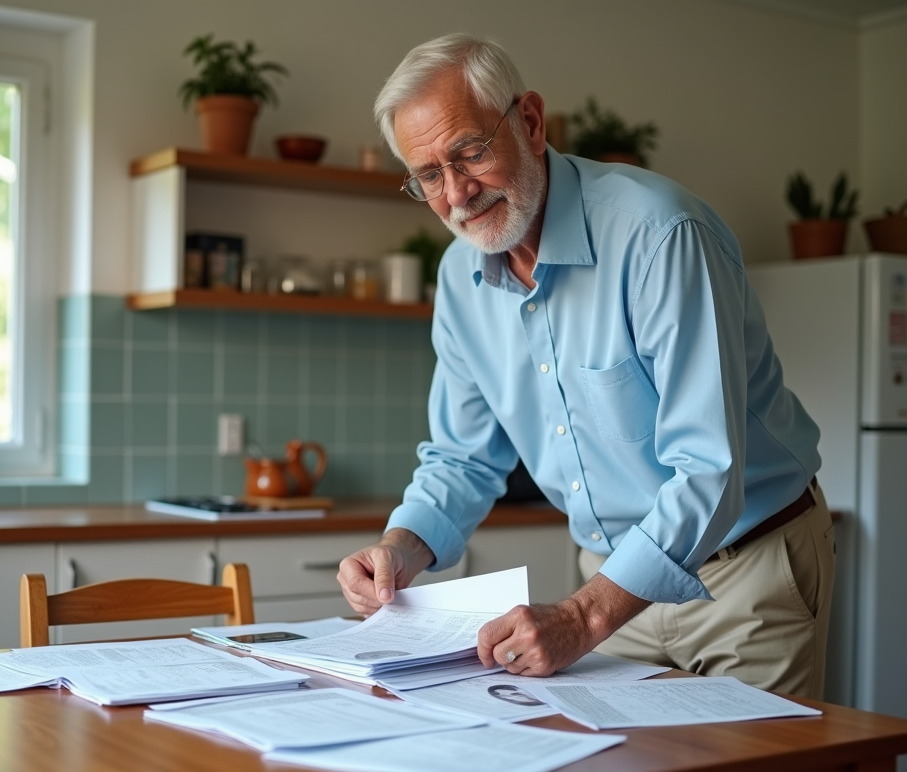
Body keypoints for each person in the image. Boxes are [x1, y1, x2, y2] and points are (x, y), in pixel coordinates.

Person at [337, 33, 836, 701]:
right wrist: (402, 548)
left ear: (533, 123)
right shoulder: (461, 278)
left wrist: (582, 615)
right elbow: (461, 459)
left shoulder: (661, 235)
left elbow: (708, 467)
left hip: (743, 574)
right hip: (612, 580)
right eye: (429, 174)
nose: (457, 193)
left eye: (471, 152)